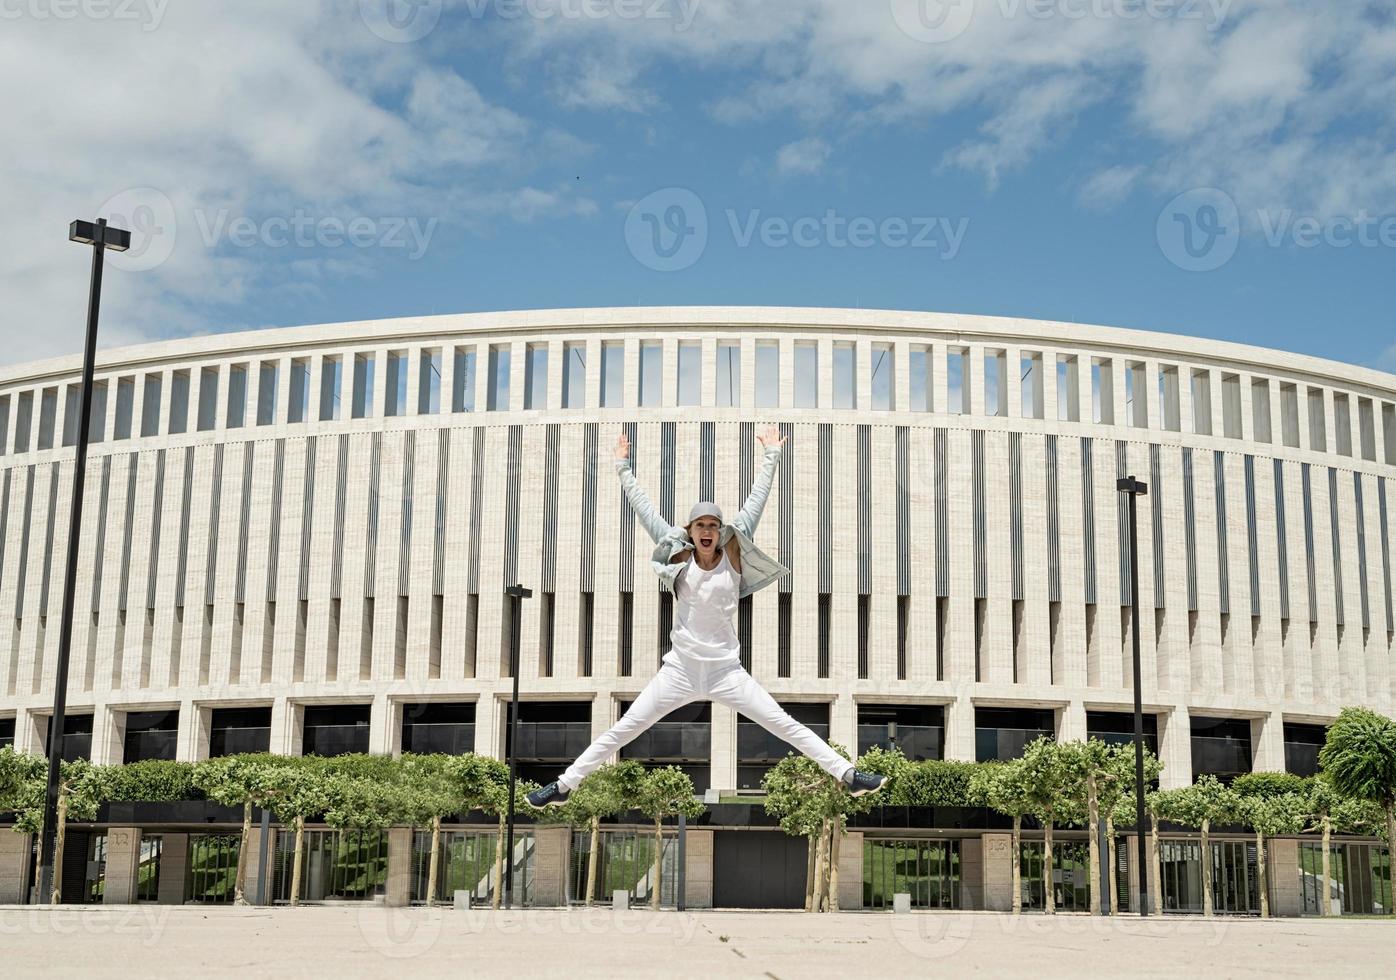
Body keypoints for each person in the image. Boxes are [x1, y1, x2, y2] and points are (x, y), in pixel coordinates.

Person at [527, 426, 885, 807]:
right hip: (679, 670)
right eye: (701, 526)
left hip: (725, 672)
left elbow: (755, 503)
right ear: (691, 531)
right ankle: (563, 786)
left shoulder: (732, 551)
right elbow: (644, 510)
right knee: (623, 729)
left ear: (721, 530)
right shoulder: (679, 555)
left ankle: (848, 775)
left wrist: (771, 457)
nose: (708, 531)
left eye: (714, 525)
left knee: (784, 724)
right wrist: (622, 467)